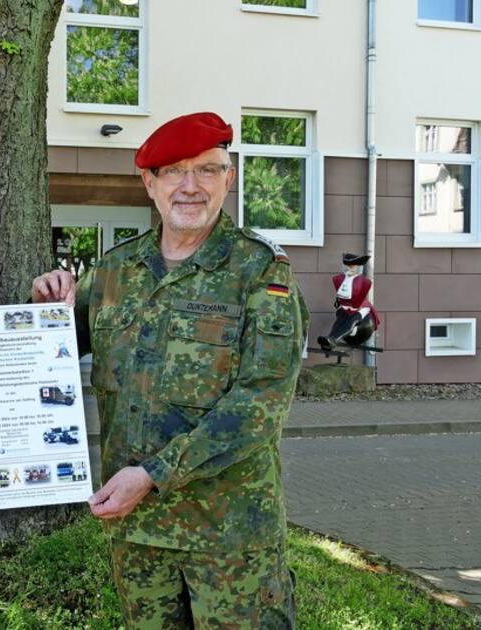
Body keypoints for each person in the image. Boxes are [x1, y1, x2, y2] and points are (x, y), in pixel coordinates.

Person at [31, 112, 309, 628]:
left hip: (228, 536)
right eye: (173, 172)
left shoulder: (261, 272)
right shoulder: (114, 271)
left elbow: (260, 405)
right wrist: (46, 312)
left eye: (206, 170)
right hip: (137, 534)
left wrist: (154, 475)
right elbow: (51, 360)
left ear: (229, 179)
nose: (190, 187)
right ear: (149, 184)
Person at [317, 252, 380, 350]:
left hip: (359, 307)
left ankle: (334, 340)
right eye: (346, 266)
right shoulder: (338, 279)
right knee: (339, 320)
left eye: (352, 266)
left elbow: (359, 297)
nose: (348, 268)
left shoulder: (365, 282)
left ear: (358, 267)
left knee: (353, 320)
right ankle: (329, 339)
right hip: (345, 306)